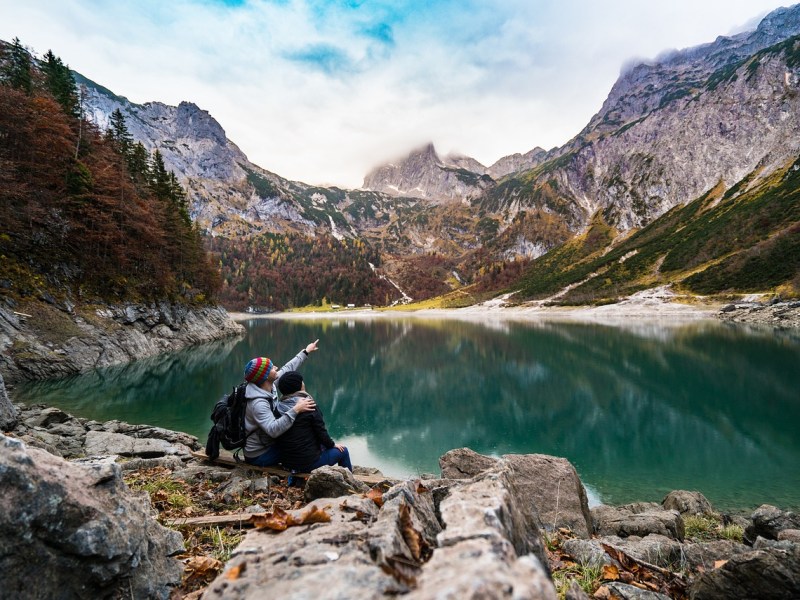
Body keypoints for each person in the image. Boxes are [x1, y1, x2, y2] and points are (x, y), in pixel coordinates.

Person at [242, 340, 320, 467]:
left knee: (303, 442)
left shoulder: (268, 384)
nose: (276, 368)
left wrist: (306, 351)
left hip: (268, 443)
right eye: (272, 368)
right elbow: (273, 430)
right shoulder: (258, 403)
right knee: (301, 449)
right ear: (265, 376)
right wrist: (296, 409)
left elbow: (288, 368)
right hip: (259, 454)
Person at [274, 370, 352, 473]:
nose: (303, 383)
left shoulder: (278, 407)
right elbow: (321, 432)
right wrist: (332, 445)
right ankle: (350, 482)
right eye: (302, 381)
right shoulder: (309, 406)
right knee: (343, 451)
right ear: (299, 386)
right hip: (308, 463)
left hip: (287, 462)